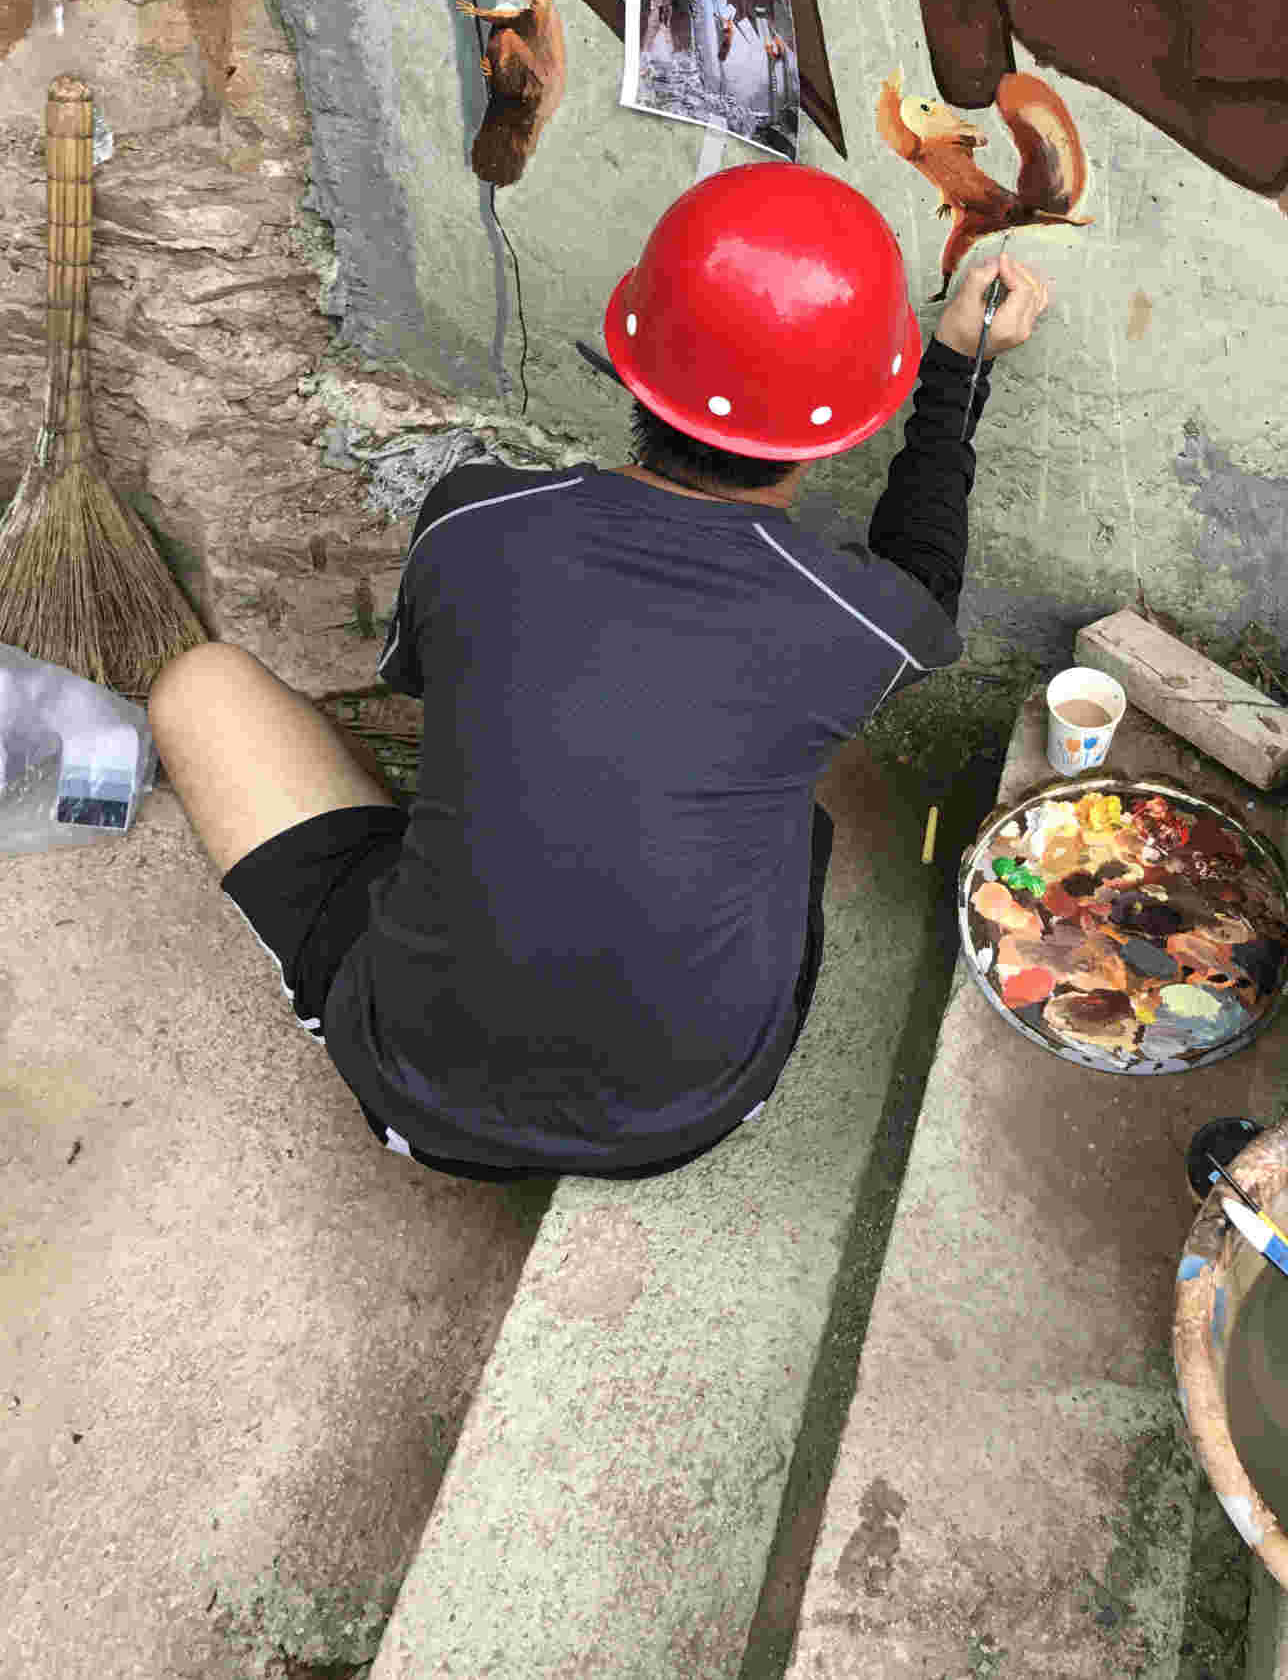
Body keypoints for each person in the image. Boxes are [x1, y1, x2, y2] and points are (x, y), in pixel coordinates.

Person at [148, 164, 1052, 1181]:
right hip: (690, 1115)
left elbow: (434, 694)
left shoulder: (472, 520)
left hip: (413, 1089)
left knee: (202, 686)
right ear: (853, 421)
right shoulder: (861, 622)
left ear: (634, 356)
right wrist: (958, 365)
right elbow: (924, 577)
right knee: (788, 813)